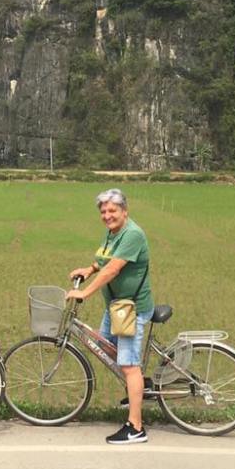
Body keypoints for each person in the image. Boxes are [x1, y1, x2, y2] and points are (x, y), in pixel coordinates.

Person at [67, 188, 153, 445]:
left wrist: (84, 293)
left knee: (128, 364)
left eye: (112, 210)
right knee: (106, 349)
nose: (107, 215)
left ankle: (136, 426)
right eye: (103, 211)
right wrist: (89, 269)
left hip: (131, 309)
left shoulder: (133, 234)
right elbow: (104, 260)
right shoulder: (113, 232)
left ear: (124, 211)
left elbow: (113, 269)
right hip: (117, 307)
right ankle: (140, 385)